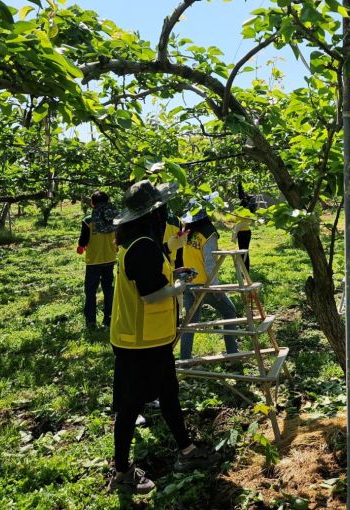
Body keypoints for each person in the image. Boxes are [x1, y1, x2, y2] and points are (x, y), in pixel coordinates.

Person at [108, 180, 217, 494]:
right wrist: (180, 287)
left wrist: (174, 267)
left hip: (147, 339)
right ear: (153, 213)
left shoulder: (139, 242)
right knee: (131, 406)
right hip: (141, 342)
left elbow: (155, 266)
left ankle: (186, 450)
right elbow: (151, 294)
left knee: (169, 393)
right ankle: (122, 471)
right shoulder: (143, 246)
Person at [179, 198, 240, 359]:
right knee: (230, 313)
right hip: (205, 285)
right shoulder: (208, 232)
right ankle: (233, 354)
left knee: (189, 324)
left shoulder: (188, 232)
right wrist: (215, 288)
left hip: (189, 283)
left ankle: (185, 359)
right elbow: (209, 263)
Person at [76, 190, 118, 329]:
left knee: (90, 291)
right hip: (110, 258)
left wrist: (81, 246)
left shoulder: (89, 220)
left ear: (93, 204)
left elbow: (83, 239)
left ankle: (91, 321)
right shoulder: (114, 218)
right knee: (108, 290)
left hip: (94, 260)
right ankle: (108, 319)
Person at [234, 182, 257, 271]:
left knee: (244, 252)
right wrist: (239, 184)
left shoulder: (245, 209)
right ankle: (244, 270)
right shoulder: (248, 208)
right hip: (244, 232)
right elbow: (241, 194)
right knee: (243, 252)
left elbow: (241, 195)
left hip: (243, 232)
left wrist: (239, 184)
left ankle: (245, 270)